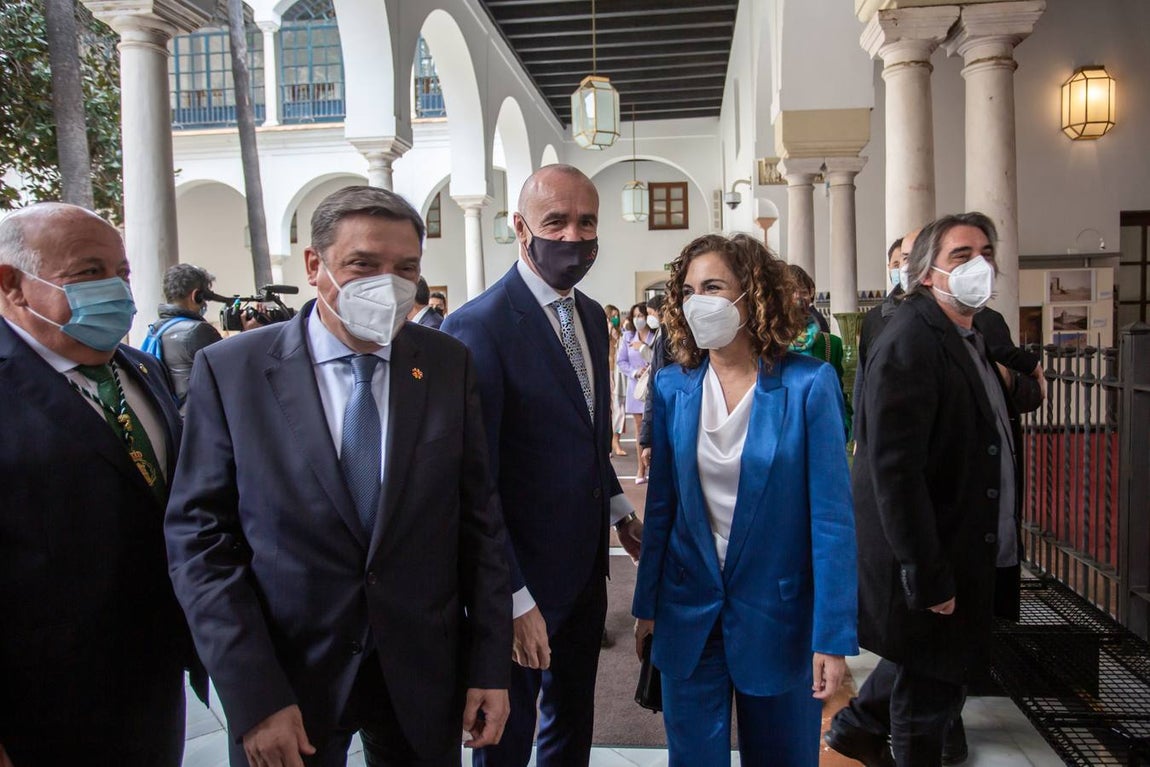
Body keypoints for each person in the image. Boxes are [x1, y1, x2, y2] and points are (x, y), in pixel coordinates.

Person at [165, 186, 511, 767]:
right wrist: (252, 692)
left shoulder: (446, 363)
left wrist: (488, 666)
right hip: (289, 682)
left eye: (406, 268)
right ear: (313, 266)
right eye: (363, 264)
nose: (389, 284)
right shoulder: (233, 371)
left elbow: (478, 521)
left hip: (422, 673)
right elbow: (200, 542)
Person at [441, 164, 643, 767]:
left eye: (587, 222)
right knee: (506, 733)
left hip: (584, 573)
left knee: (571, 724)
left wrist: (617, 510)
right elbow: (474, 483)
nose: (574, 237)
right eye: (556, 222)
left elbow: (582, 435)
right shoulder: (478, 327)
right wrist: (512, 596)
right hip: (519, 582)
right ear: (520, 229)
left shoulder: (588, 315)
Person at [632, 233, 857, 766]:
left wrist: (832, 636)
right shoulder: (672, 387)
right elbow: (661, 507)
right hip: (688, 611)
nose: (697, 302)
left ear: (751, 295)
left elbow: (831, 522)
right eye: (687, 290)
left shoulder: (808, 385)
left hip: (779, 616)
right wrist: (646, 608)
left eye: (713, 286)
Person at [0, 203, 204, 766]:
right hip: (39, 710)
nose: (116, 290)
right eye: (89, 273)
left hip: (152, 685)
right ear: (13, 285)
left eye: (122, 272)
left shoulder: (140, 369)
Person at [826, 212, 1027, 767]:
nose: (978, 264)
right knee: (925, 705)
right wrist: (928, 571)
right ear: (924, 272)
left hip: (962, 543)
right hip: (933, 553)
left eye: (985, 251)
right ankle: (866, 730)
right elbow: (895, 471)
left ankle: (859, 728)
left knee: (933, 675)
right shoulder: (912, 339)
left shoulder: (968, 333)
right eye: (962, 255)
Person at [787, 264, 852, 439]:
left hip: (822, 438)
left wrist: (843, 428)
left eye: (803, 291)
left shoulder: (832, 344)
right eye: (790, 291)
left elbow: (839, 396)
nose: (798, 297)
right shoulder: (768, 345)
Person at [146, 263, 224, 408]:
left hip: (174, 420)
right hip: (199, 422)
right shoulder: (198, 331)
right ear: (197, 296)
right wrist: (249, 332)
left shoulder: (156, 329)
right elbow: (231, 373)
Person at [616, 301, 653, 483]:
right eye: (636, 316)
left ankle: (654, 467)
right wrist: (634, 372)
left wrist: (644, 350)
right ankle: (641, 469)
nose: (639, 319)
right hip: (636, 388)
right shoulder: (628, 337)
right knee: (640, 430)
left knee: (655, 428)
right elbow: (621, 361)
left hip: (653, 387)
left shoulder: (656, 336)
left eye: (642, 315)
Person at [637, 293, 672, 473]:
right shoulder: (661, 332)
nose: (649, 318)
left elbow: (658, 385)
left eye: (650, 313)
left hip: (664, 413)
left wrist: (648, 438)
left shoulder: (666, 334)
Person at [605, 303, 628, 457]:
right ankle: (607, 442)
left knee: (619, 409)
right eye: (612, 315)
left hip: (618, 374)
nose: (615, 318)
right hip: (606, 371)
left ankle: (616, 441)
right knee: (607, 409)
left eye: (616, 315)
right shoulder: (602, 331)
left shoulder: (620, 334)